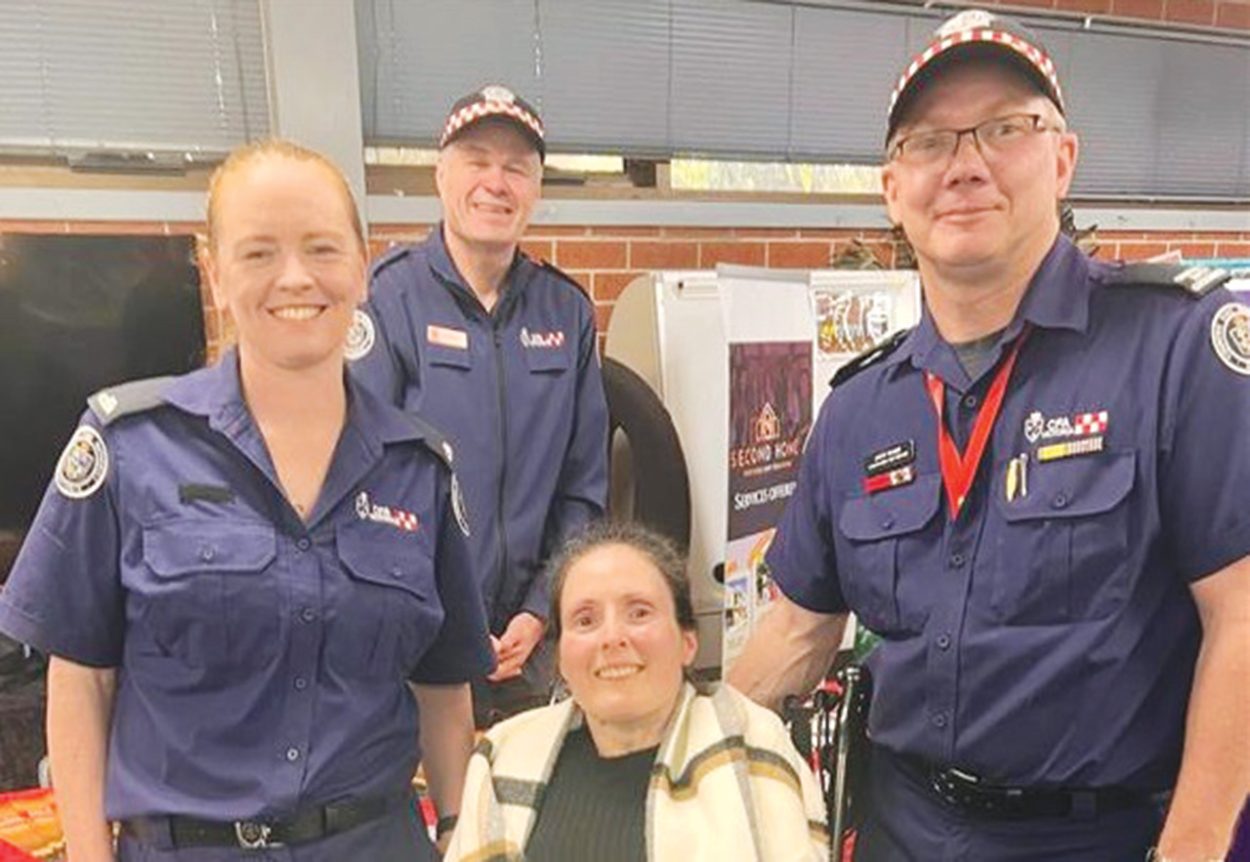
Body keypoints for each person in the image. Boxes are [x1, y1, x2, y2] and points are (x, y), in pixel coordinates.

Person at [729, 9, 1250, 861]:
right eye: (930, 142)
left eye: (1005, 129)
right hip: (899, 827)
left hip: (1103, 837)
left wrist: (1191, 848)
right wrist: (671, 746)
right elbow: (797, 630)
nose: (965, 165)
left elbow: (1242, 618)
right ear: (892, 189)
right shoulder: (860, 407)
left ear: (1063, 160)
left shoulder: (1177, 350)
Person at [0, 140, 495, 861]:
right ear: (215, 272)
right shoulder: (130, 447)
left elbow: (444, 691)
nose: (295, 277)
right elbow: (82, 681)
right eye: (258, 253)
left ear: (362, 265)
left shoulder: (418, 470)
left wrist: (459, 837)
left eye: (322, 248)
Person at [350, 84, 609, 723]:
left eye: (516, 167)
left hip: (531, 648)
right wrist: (443, 619)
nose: (496, 182)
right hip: (416, 639)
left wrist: (541, 607)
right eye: (476, 161)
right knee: (439, 811)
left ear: (536, 188)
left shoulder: (566, 311)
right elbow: (363, 481)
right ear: (441, 175)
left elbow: (583, 488)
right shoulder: (390, 300)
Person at [445, 520, 828, 861]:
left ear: (687, 641)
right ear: (560, 656)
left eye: (639, 612)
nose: (612, 638)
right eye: (585, 620)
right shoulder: (503, 758)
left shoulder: (756, 748)